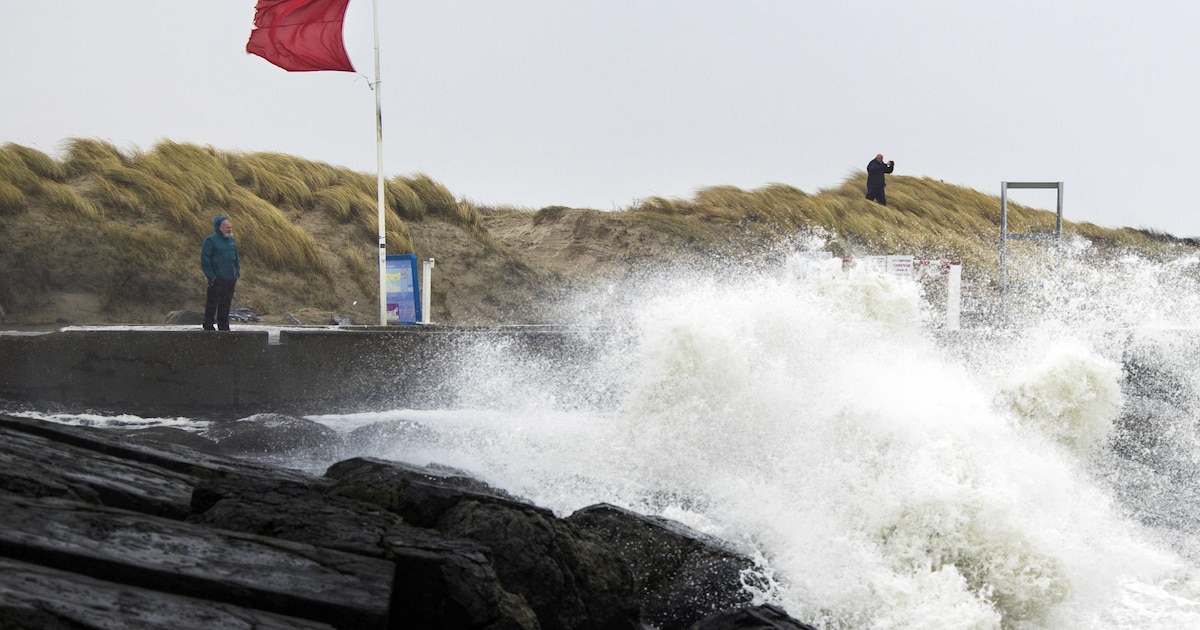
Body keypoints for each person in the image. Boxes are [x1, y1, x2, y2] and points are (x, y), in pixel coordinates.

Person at [200, 215, 240, 331]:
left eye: (230, 227)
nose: (229, 229)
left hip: (230, 278)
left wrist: (237, 272)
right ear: (220, 228)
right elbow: (205, 259)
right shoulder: (211, 240)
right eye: (227, 227)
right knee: (212, 302)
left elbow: (236, 258)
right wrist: (211, 276)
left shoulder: (231, 240)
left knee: (226, 302)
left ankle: (223, 324)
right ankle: (208, 324)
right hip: (217, 278)